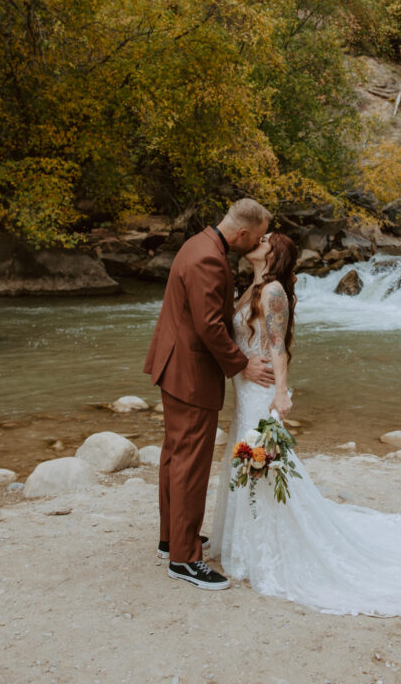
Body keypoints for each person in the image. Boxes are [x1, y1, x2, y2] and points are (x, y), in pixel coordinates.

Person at [211, 232, 401, 617]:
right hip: (246, 390)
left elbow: (277, 347)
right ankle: (247, 545)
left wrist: (282, 393)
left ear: (275, 255)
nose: (257, 239)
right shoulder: (250, 288)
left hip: (261, 393)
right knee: (248, 463)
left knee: (264, 466)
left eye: (266, 239)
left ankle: (270, 550)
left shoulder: (271, 293)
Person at [144, 198, 274, 591]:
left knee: (175, 455)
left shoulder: (197, 243)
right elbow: (210, 327)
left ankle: (172, 540)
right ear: (242, 234)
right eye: (256, 237)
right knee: (190, 463)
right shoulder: (210, 260)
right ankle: (184, 559)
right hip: (190, 373)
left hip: (175, 365)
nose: (257, 243)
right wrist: (242, 364)